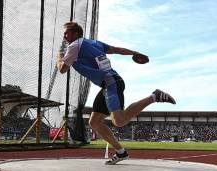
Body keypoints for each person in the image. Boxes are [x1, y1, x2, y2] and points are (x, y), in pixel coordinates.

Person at [56, 22, 176, 165]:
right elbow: (116, 49)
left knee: (119, 121)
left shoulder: (74, 46)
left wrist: (60, 55)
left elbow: (62, 69)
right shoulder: (94, 42)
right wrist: (134, 52)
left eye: (66, 33)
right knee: (94, 122)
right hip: (108, 83)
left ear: (76, 33)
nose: (64, 36)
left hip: (111, 83)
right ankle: (121, 152)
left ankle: (154, 96)